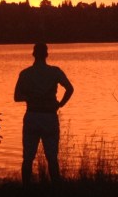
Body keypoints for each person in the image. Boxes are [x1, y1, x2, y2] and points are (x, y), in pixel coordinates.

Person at [14, 42, 74, 185]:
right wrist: (60, 104)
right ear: (46, 55)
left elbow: (17, 97)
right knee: (52, 158)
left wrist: (30, 97)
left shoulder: (25, 73)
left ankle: (26, 189)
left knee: (28, 157)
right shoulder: (55, 72)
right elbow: (70, 89)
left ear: (33, 54)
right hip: (49, 117)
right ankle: (56, 190)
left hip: (32, 116)